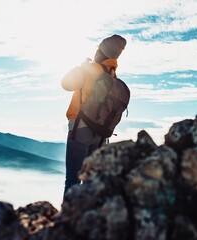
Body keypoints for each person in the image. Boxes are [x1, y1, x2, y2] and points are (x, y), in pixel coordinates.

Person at [61, 34, 127, 195]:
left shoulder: (89, 69)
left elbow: (66, 83)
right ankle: (85, 216)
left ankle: (69, 218)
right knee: (90, 179)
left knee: (73, 179)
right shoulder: (112, 75)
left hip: (80, 128)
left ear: (101, 51)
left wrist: (81, 68)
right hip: (100, 135)